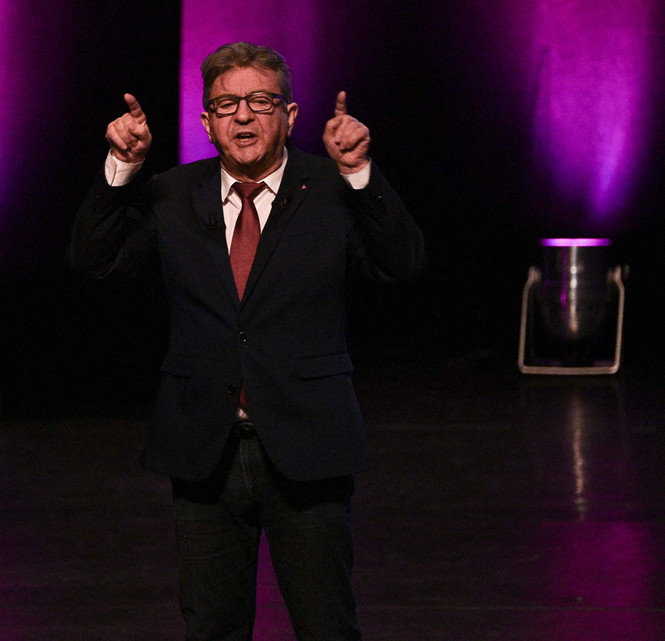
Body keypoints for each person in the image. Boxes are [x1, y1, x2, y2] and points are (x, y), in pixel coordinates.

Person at [67, 42, 426, 641]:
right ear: (206, 123)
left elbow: (404, 265)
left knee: (326, 626)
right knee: (212, 627)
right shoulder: (173, 195)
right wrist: (119, 168)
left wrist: (361, 173)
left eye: (259, 101)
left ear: (290, 115)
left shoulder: (331, 190)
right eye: (225, 104)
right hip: (205, 448)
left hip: (309, 444)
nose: (242, 116)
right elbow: (90, 263)